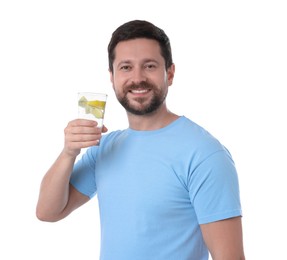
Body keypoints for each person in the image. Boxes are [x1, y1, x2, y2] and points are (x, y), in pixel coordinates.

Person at [36, 20, 245, 260]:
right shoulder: (104, 148)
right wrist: (68, 153)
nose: (137, 78)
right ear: (112, 77)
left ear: (170, 73)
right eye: (126, 67)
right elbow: (47, 212)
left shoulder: (204, 154)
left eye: (149, 66)